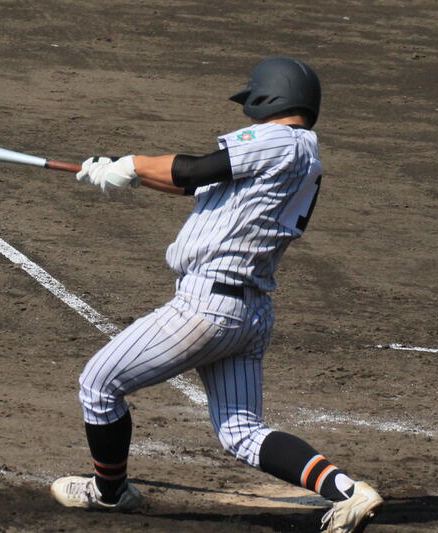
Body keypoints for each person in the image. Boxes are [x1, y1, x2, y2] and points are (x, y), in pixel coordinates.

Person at [50, 57, 383, 533]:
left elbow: (194, 169)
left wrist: (132, 163)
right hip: (249, 313)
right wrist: (127, 172)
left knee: (99, 385)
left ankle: (110, 493)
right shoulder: (301, 155)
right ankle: (349, 493)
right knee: (242, 433)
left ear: (270, 96)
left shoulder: (277, 140)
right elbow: (198, 182)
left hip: (205, 310)